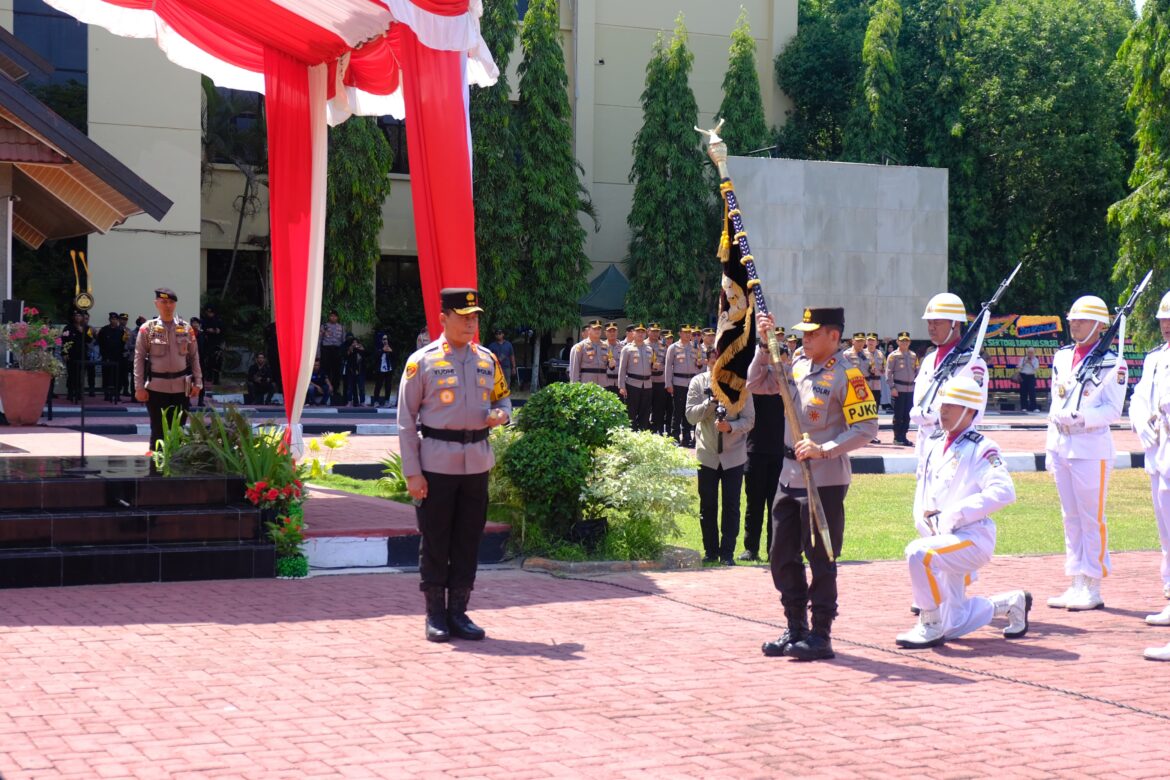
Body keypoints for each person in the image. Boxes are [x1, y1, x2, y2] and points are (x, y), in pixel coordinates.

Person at [750, 307, 879, 661]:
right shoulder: (797, 365)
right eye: (802, 333)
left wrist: (824, 449)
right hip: (789, 474)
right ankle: (796, 628)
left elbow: (867, 429)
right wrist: (766, 344)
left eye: (812, 333)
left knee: (820, 556)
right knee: (780, 555)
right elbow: (756, 383)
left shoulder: (848, 376)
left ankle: (821, 634)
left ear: (833, 337)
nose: (804, 338)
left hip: (824, 479)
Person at [398, 288, 511, 643]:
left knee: (467, 539)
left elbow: (504, 399)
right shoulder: (423, 361)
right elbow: (405, 421)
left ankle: (459, 612)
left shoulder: (487, 359)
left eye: (475, 317)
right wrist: (412, 472)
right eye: (464, 317)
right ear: (443, 318)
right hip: (436, 464)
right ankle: (435, 614)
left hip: (476, 463)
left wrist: (501, 415)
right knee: (436, 539)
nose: (471, 323)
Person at [896, 375, 1030, 649]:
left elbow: (1004, 492)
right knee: (954, 624)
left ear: (970, 411)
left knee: (917, 554)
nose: (943, 411)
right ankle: (1009, 603)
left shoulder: (983, 448)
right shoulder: (933, 442)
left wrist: (954, 514)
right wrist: (923, 520)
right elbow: (923, 488)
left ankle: (928, 624)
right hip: (941, 537)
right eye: (942, 404)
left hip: (971, 538)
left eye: (951, 406)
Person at [1045, 295, 1126, 612]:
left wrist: (1083, 419)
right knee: (1071, 518)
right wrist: (1050, 445)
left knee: (1092, 519)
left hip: (1091, 446)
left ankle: (1093, 583)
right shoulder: (1063, 357)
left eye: (1080, 320)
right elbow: (1056, 401)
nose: (1073, 324)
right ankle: (1076, 580)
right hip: (1063, 444)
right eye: (1072, 319)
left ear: (1098, 325)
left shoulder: (1112, 362)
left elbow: (1113, 411)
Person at [1131, 291, 1170, 653]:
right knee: (1166, 534)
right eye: (1163, 319)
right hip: (1159, 454)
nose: (1166, 325)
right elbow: (1139, 398)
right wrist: (1141, 424)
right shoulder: (1155, 359)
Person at [687, 360, 755, 565]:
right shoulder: (698, 383)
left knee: (731, 505)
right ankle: (710, 551)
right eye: (714, 360)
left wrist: (731, 427)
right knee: (707, 505)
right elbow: (690, 416)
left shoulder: (740, 384)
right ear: (708, 361)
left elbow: (749, 420)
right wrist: (710, 403)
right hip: (707, 454)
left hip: (733, 455)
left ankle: (727, 553)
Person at [911, 293, 987, 463]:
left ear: (955, 323)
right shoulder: (929, 360)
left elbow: (976, 412)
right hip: (925, 444)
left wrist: (931, 416)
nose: (931, 328)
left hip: (954, 449)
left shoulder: (972, 363)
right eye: (929, 322)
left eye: (937, 322)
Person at [134, 288, 202, 450]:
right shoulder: (147, 329)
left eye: (171, 302)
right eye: (163, 302)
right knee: (158, 431)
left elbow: (194, 357)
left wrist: (198, 382)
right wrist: (138, 387)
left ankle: (176, 470)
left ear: (175, 304)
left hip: (181, 387)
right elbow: (139, 358)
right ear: (156, 304)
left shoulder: (186, 328)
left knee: (178, 430)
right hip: (156, 388)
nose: (168, 306)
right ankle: (155, 472)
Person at [740, 332, 786, 561]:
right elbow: (754, 377)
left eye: (780, 356)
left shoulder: (787, 386)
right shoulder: (757, 381)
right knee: (754, 504)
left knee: (776, 506)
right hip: (755, 451)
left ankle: (773, 549)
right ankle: (751, 547)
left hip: (779, 453)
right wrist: (764, 353)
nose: (778, 361)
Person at [666, 325, 699, 447]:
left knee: (689, 410)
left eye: (689, 332)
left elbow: (698, 365)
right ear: (679, 333)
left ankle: (686, 436)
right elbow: (668, 366)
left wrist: (699, 364)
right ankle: (675, 436)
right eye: (685, 332)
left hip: (692, 383)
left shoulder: (695, 347)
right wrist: (668, 383)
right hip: (678, 382)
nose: (688, 334)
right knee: (678, 410)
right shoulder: (673, 347)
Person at [618, 323, 653, 430]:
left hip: (647, 384)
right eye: (638, 332)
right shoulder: (627, 349)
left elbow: (650, 366)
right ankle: (631, 434)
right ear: (633, 333)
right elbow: (622, 368)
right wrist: (621, 386)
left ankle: (643, 434)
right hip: (632, 384)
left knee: (645, 411)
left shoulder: (649, 349)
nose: (640, 334)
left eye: (643, 332)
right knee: (631, 412)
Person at [886, 332, 918, 447]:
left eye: (906, 341)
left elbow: (917, 371)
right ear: (897, 342)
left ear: (909, 342)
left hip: (910, 389)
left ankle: (903, 436)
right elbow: (888, 373)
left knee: (907, 415)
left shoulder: (913, 355)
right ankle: (897, 437)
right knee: (898, 415)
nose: (904, 343)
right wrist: (892, 387)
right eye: (902, 340)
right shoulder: (893, 355)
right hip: (898, 389)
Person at [97, 312, 126, 403]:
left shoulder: (122, 330)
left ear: (117, 320)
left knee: (118, 377)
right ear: (109, 320)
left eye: (115, 319)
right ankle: (107, 394)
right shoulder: (104, 330)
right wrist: (104, 355)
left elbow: (124, 343)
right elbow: (100, 343)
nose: (113, 320)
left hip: (118, 357)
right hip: (107, 357)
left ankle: (117, 394)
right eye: (112, 319)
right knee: (107, 376)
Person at [568, 320, 608, 387]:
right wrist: (575, 387)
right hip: (586, 384)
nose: (597, 331)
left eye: (599, 329)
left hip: (602, 384)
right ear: (589, 330)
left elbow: (609, 365)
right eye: (594, 329)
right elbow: (574, 370)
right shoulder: (580, 347)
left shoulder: (606, 346)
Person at [60, 310, 87, 403]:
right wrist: (64, 353)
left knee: (80, 375)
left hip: (82, 355)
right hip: (71, 355)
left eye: (79, 316)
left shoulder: (86, 328)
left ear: (83, 318)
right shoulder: (67, 328)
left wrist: (83, 332)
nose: (78, 317)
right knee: (71, 375)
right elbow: (63, 341)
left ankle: (79, 393)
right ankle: (70, 393)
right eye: (76, 316)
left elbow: (90, 340)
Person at [319, 310, 346, 405]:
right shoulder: (324, 326)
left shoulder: (341, 327)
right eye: (331, 316)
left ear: (337, 317)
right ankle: (326, 388)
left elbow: (343, 340)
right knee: (326, 369)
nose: (333, 318)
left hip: (337, 350)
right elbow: (320, 340)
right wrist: (319, 353)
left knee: (336, 370)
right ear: (329, 317)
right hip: (326, 349)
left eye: (335, 316)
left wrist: (343, 352)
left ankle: (335, 389)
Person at [647, 323, 669, 435]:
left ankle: (658, 429)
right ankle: (647, 430)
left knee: (659, 407)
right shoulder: (643, 344)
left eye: (657, 331)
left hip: (660, 380)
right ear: (648, 331)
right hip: (648, 381)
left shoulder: (663, 346)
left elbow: (668, 362)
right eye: (653, 331)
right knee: (646, 407)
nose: (655, 333)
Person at [200, 305, 225, 386]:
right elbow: (203, 329)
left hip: (217, 344)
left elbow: (220, 330)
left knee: (217, 362)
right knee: (208, 362)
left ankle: (216, 380)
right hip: (208, 344)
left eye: (210, 312)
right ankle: (209, 378)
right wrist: (208, 330)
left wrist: (214, 330)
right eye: (207, 312)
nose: (209, 314)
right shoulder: (204, 320)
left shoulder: (218, 320)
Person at [370, 333, 395, 406]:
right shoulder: (377, 347)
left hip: (388, 368)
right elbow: (375, 357)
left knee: (388, 385)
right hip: (380, 369)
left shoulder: (390, 346)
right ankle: (376, 401)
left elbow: (395, 357)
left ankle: (387, 401)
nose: (386, 341)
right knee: (378, 385)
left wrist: (391, 351)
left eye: (386, 339)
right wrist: (382, 350)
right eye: (384, 339)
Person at [343, 334, 367, 407]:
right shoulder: (349, 349)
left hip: (360, 371)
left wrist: (362, 349)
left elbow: (366, 355)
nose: (355, 344)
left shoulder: (361, 349)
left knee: (361, 387)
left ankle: (362, 402)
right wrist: (350, 349)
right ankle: (349, 401)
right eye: (353, 342)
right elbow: (345, 357)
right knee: (350, 388)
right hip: (351, 371)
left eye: (356, 342)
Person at [1017, 346, 1040, 413]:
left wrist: (1031, 363)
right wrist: (1024, 363)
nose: (1030, 354)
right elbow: (1019, 367)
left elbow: (1036, 369)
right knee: (1023, 392)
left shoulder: (1035, 360)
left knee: (1032, 392)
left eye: (1031, 353)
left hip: (1031, 376)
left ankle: (1034, 407)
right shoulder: (1023, 359)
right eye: (1029, 352)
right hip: (1023, 376)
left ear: (1034, 353)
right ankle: (1024, 407)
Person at [602, 322, 621, 395]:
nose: (612, 333)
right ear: (605, 333)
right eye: (609, 331)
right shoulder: (601, 347)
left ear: (617, 332)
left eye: (614, 331)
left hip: (619, 383)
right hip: (605, 382)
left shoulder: (623, 347)